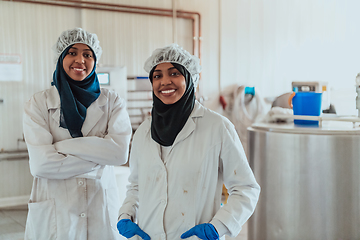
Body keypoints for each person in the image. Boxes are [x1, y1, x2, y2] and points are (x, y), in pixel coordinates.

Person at [117, 44, 260, 240]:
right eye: (157, 76)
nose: (165, 81)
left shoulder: (217, 127)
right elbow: (136, 185)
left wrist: (218, 227)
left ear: (189, 77)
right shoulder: (143, 131)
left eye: (174, 73)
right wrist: (126, 214)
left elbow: (246, 189)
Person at [23, 28, 132, 240]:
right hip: (56, 210)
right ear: (60, 58)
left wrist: (61, 148)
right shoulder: (38, 103)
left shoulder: (112, 101)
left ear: (95, 61)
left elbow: (119, 155)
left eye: (87, 54)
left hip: (99, 205)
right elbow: (40, 165)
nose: (80, 60)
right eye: (72, 52)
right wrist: (98, 157)